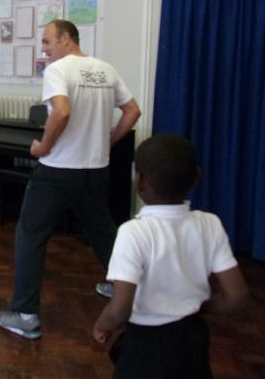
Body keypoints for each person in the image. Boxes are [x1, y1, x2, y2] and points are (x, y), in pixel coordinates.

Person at [0, 19, 141, 339]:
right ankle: (125, 289)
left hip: (58, 171)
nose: (44, 49)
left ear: (66, 38)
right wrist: (109, 143)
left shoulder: (58, 70)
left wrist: (43, 146)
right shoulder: (105, 69)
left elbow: (61, 112)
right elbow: (132, 111)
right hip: (96, 169)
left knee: (30, 235)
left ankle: (25, 314)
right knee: (103, 231)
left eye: (47, 41)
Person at [92, 134, 249, 378]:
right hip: (193, 337)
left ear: (139, 181)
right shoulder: (210, 224)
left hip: (145, 343)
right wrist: (194, 306)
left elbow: (120, 309)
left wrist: (103, 324)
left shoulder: (133, 232)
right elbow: (237, 296)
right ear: (196, 177)